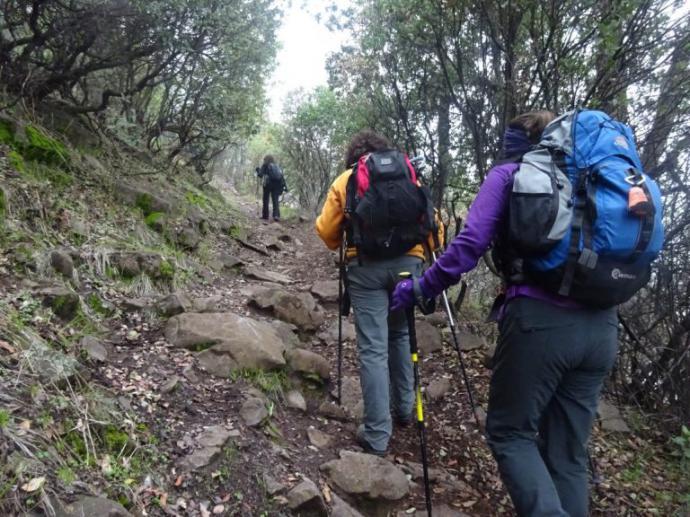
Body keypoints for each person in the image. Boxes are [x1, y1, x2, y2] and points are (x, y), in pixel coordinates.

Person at [391, 111, 619, 517]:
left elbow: (469, 245)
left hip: (540, 322)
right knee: (567, 453)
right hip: (602, 329)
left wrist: (422, 287)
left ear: (513, 142)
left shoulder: (509, 175)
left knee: (511, 434)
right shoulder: (593, 181)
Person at [315, 130, 443, 456]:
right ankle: (404, 410)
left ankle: (376, 435)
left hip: (366, 269)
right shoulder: (407, 173)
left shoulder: (347, 179)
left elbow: (328, 234)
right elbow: (435, 227)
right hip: (408, 266)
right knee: (399, 335)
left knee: (373, 347)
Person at [256, 155, 287, 221]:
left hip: (268, 184)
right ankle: (276, 215)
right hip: (277, 185)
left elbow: (260, 175)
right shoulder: (277, 166)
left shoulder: (265, 165)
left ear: (266, 160)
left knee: (265, 200)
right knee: (275, 200)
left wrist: (258, 170)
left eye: (264, 160)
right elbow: (281, 176)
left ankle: (265, 216)